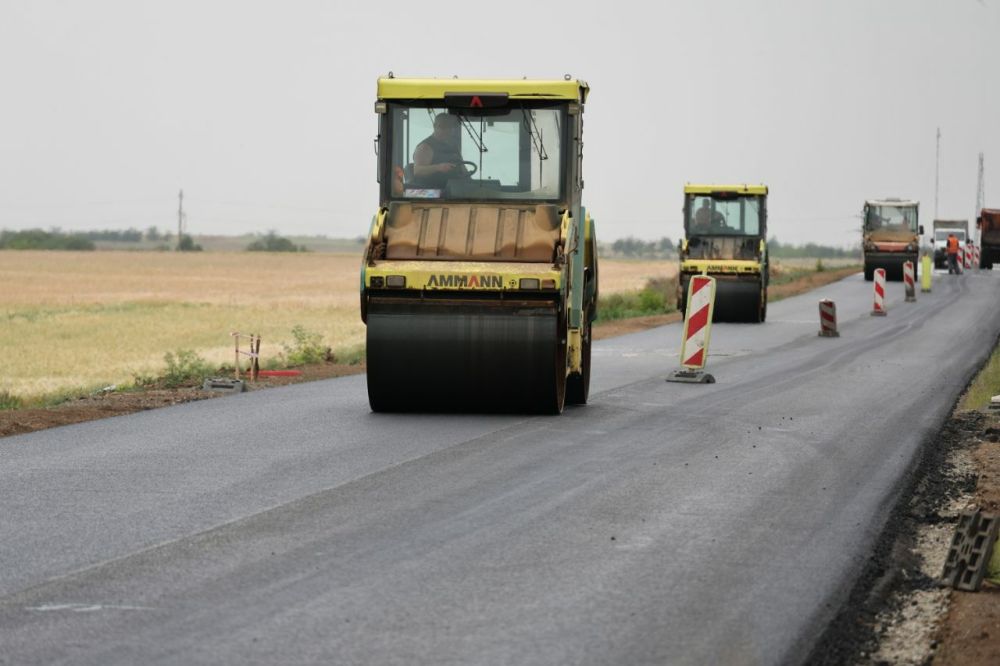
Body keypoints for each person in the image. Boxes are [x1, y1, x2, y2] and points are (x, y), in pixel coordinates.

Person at [410, 113, 468, 188]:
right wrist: (438, 167)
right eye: (443, 127)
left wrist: (472, 183)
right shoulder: (425, 147)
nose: (446, 130)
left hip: (455, 189)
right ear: (434, 126)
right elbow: (418, 171)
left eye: (449, 127)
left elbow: (463, 167)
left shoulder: (453, 147)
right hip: (432, 191)